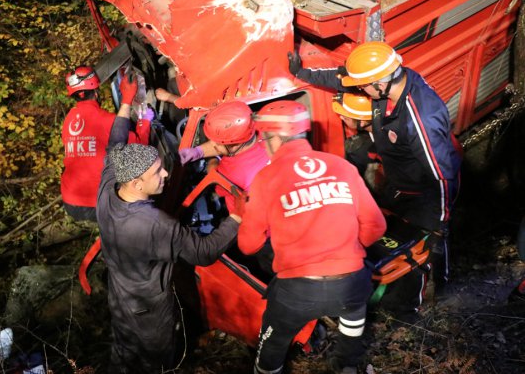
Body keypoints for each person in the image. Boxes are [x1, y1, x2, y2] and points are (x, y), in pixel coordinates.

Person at [289, 42, 462, 314]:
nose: (360, 90)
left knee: (427, 247)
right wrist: (303, 73)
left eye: (365, 86)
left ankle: (435, 299)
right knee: (396, 239)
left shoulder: (420, 117)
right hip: (400, 183)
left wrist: (440, 218)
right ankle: (401, 289)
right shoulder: (388, 84)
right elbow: (342, 78)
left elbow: (441, 174)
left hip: (426, 193)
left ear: (381, 83)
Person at [97, 73, 241, 374]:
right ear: (137, 184)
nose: (165, 175)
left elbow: (115, 143)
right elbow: (204, 252)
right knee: (158, 364)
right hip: (151, 313)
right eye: (158, 173)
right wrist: (238, 216)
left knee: (122, 357)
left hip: (121, 301)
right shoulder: (155, 225)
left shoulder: (109, 186)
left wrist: (125, 103)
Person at [238, 100, 386, 374]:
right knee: (354, 313)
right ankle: (347, 366)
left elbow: (248, 245)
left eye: (263, 140)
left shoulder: (266, 178)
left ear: (275, 138)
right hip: (351, 282)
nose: (263, 146)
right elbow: (376, 226)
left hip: (297, 290)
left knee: (273, 340)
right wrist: (346, 250)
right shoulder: (341, 166)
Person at [61, 66, 150, 222]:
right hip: (99, 203)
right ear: (96, 92)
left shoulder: (69, 119)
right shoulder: (107, 120)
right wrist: (146, 120)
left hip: (70, 201)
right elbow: (139, 146)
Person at [178, 100, 270, 214]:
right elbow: (223, 145)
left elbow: (217, 186)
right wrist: (198, 151)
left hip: (248, 221)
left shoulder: (233, 172)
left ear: (235, 145)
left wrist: (212, 161)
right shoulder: (267, 133)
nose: (212, 145)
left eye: (216, 145)